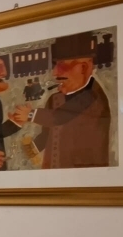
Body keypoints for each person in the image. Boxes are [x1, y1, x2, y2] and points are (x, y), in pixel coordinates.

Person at [9, 32, 111, 169]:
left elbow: (58, 117)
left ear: (83, 68)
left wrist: (30, 115)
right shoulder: (54, 98)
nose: (55, 72)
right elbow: (46, 135)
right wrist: (26, 153)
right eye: (55, 65)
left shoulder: (93, 95)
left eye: (62, 66)